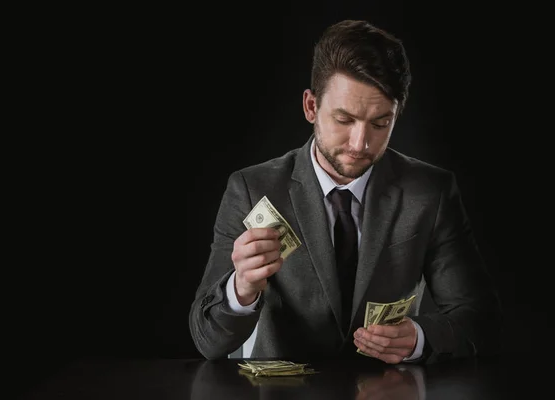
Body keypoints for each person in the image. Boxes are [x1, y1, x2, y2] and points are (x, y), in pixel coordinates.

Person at [189, 19, 503, 364]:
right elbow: (209, 341)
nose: (360, 143)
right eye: (344, 120)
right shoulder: (252, 188)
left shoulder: (431, 192)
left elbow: (480, 319)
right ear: (311, 107)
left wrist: (419, 338)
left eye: (380, 123)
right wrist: (241, 289)